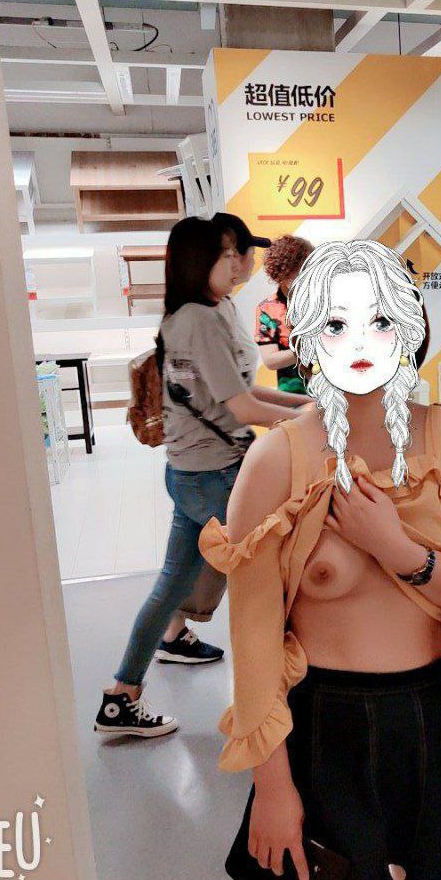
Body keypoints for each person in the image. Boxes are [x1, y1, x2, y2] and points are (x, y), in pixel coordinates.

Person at [199, 239, 441, 880]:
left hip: (434, 714)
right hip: (323, 726)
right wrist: (272, 787)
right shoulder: (277, 463)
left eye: (379, 319)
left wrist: (398, 550)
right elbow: (254, 641)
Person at [95, 216, 311, 739]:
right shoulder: (197, 319)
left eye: (241, 252)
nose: (242, 262)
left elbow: (243, 392)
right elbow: (242, 408)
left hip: (196, 472)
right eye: (230, 253)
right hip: (213, 476)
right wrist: (308, 420)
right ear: (201, 261)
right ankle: (282, 701)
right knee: (273, 577)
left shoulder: (214, 310)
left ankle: (122, 696)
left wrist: (305, 404)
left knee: (171, 587)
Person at [255, 234, 314, 395]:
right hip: (296, 397)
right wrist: (306, 349)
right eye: (302, 270)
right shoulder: (268, 309)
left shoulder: (329, 298)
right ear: (283, 274)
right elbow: (270, 360)